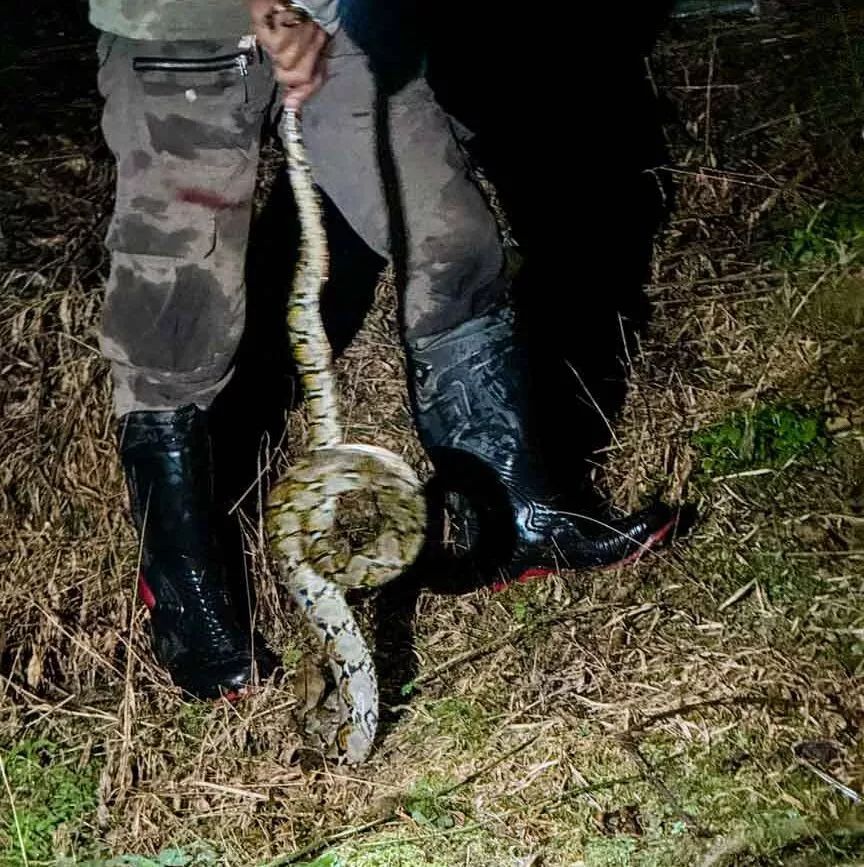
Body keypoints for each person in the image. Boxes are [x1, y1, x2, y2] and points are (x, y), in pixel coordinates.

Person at [90, 0, 677, 702]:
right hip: (183, 32)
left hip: (341, 20)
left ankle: (514, 519)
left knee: (449, 241)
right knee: (179, 313)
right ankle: (185, 597)